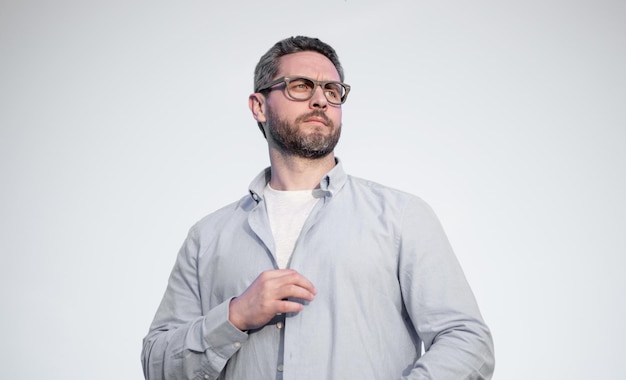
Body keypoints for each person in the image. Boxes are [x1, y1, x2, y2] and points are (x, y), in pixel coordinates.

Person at [141, 35, 495, 380]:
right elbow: (158, 364)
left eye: (332, 91)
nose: (320, 100)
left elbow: (468, 344)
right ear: (259, 106)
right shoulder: (207, 237)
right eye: (300, 86)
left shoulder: (402, 217)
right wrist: (234, 316)